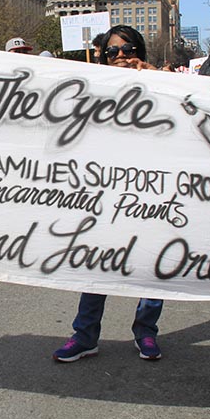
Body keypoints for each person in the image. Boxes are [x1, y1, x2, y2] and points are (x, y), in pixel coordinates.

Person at [52, 25, 164, 363]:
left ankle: (145, 331)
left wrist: (157, 79)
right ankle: (85, 335)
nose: (120, 56)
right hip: (104, 191)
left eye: (127, 49)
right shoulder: (94, 86)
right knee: (96, 263)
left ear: (139, 52)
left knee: (149, 265)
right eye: (112, 51)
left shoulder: (160, 84)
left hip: (149, 191)